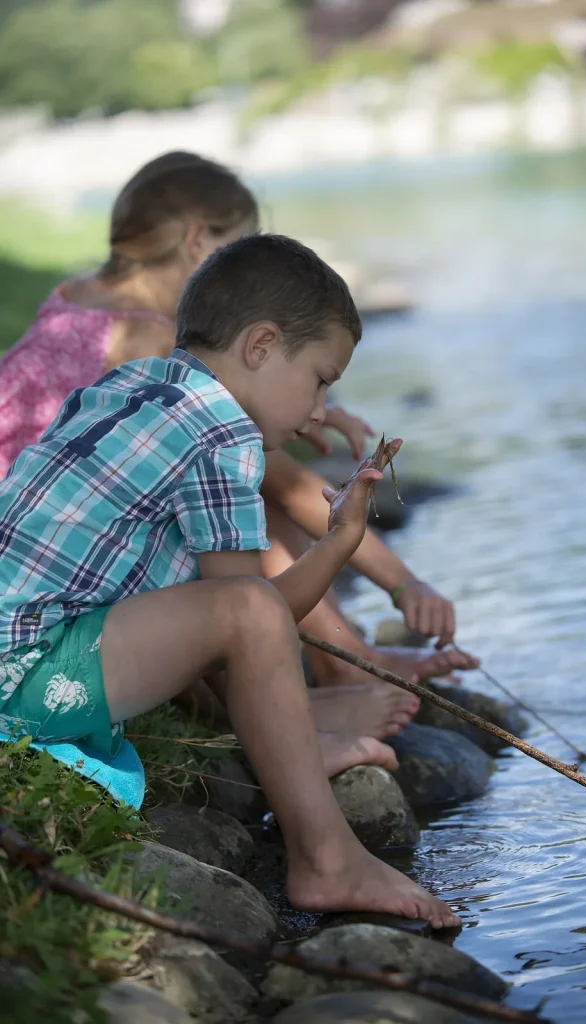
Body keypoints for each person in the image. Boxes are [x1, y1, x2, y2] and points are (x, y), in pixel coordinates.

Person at [0, 234, 460, 927]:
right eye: (319, 379)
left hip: (22, 646)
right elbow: (255, 619)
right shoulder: (220, 436)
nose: (318, 409)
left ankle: (293, 739)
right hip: (26, 678)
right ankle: (325, 855)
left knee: (200, 588)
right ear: (261, 345)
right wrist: (337, 543)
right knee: (243, 610)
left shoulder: (134, 383)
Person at [0, 151, 477, 741]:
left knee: (227, 519)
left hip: (31, 548)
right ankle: (320, 684)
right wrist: (403, 582)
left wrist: (300, 400)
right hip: (60, 598)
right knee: (250, 518)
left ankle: (328, 672)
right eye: (239, 248)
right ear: (201, 243)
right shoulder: (144, 338)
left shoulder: (77, 301)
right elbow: (288, 485)